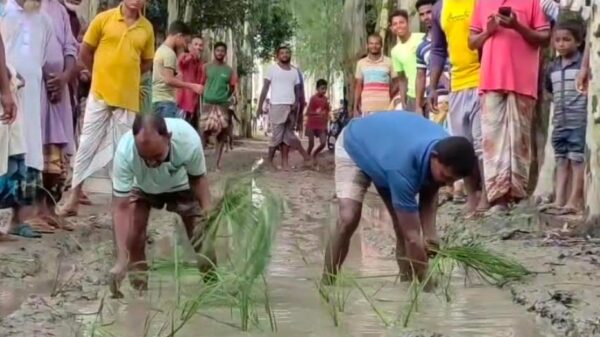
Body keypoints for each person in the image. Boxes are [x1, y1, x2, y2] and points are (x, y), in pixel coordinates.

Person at [322, 111, 476, 284]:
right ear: (434, 158)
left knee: (403, 229)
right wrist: (428, 284)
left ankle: (406, 285)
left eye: (453, 181)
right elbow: (412, 236)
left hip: (385, 154)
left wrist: (430, 235)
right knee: (349, 218)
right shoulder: (403, 169)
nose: (448, 185)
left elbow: (430, 189)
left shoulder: (446, 148)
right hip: (354, 145)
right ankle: (327, 284)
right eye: (446, 178)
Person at [59, 0, 155, 217]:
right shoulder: (104, 19)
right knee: (86, 145)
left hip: (128, 98)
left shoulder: (147, 28)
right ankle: (74, 198)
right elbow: (85, 51)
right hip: (100, 93)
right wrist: (97, 74)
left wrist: (128, 76)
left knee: (123, 151)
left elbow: (147, 62)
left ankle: (120, 202)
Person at [107, 115, 212, 297]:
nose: (152, 163)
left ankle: (213, 287)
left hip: (181, 184)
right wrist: (121, 260)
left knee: (200, 236)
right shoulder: (125, 152)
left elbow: (199, 180)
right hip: (142, 186)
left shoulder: (188, 139)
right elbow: (121, 207)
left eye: (157, 156)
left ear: (169, 138)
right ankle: (140, 295)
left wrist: (208, 213)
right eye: (144, 157)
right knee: (134, 236)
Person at [469, 0, 550, 213]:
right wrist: (488, 31)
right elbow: (472, 42)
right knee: (492, 140)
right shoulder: (481, 2)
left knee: (520, 139)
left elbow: (544, 37)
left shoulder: (533, 1)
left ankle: (519, 194)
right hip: (490, 79)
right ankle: (497, 198)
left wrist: (517, 26)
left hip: (522, 79)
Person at [430, 0, 485, 215]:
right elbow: (437, 49)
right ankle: (472, 195)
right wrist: (433, 86)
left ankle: (487, 197)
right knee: (465, 146)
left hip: (483, 79)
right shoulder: (440, 8)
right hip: (457, 83)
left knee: (482, 143)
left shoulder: (479, 2)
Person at [0, 0, 49, 236]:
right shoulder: (4, 10)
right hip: (7, 93)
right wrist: (6, 88)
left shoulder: (43, 18)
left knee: (24, 155)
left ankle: (18, 220)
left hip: (29, 98)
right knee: (4, 155)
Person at [540, 22, 587, 215]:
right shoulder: (553, 67)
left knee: (576, 159)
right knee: (561, 159)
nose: (561, 44)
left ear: (579, 41)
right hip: (559, 121)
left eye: (567, 40)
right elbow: (548, 91)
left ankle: (574, 200)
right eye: (557, 40)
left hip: (578, 120)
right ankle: (559, 200)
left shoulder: (583, 65)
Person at [39, 0, 78, 229]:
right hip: (36, 89)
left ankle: (50, 209)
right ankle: (34, 212)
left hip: (59, 91)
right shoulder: (22, 5)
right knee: (35, 151)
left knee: (55, 154)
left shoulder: (60, 10)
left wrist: (64, 78)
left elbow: (70, 49)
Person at [256, 46, 310, 170]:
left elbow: (298, 89)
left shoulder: (294, 71)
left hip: (291, 106)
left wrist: (297, 102)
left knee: (287, 137)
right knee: (277, 135)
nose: (285, 55)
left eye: (287, 53)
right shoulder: (272, 69)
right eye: (282, 53)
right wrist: (260, 106)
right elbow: (265, 88)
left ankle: (285, 163)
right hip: (276, 105)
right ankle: (269, 161)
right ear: (277, 55)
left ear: (290, 55)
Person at [199, 41, 238, 170]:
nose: (220, 53)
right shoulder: (206, 67)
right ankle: (200, 164)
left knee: (222, 134)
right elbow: (200, 84)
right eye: (218, 50)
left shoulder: (229, 70)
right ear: (214, 52)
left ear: (225, 53)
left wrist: (226, 97)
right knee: (203, 133)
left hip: (222, 105)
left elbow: (232, 87)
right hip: (207, 103)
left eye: (222, 51)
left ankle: (216, 164)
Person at [152, 20, 202, 119]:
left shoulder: (161, 50)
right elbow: (168, 80)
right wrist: (192, 86)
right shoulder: (169, 54)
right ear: (179, 35)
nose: (185, 45)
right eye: (185, 41)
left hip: (157, 100)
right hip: (165, 102)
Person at [415, 0, 450, 117]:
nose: (426, 17)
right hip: (436, 99)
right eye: (422, 14)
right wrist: (418, 106)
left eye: (429, 12)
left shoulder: (451, 37)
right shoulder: (421, 47)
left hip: (459, 92)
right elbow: (420, 77)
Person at [390, 9, 425, 111]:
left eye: (401, 22)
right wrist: (403, 100)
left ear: (408, 23)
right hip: (412, 96)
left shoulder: (422, 38)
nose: (398, 26)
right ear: (392, 28)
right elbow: (402, 79)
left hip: (428, 93)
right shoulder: (395, 51)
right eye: (395, 24)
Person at [354, 34, 396, 117]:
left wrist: (391, 98)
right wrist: (355, 107)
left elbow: (396, 83)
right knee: (368, 130)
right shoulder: (361, 63)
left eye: (377, 43)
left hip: (385, 108)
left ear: (381, 45)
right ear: (367, 45)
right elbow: (358, 86)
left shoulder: (389, 62)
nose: (374, 46)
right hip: (366, 107)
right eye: (371, 43)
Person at [177, 35, 205, 127]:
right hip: (182, 103)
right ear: (189, 47)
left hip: (194, 104)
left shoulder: (201, 64)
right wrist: (192, 55)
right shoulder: (184, 56)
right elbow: (181, 63)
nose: (198, 47)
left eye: (200, 45)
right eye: (195, 44)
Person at [305, 79, 330, 160]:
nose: (324, 91)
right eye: (322, 88)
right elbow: (307, 112)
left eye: (325, 88)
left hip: (321, 125)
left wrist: (326, 123)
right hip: (311, 124)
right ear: (317, 89)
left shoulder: (325, 99)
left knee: (323, 143)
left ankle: (315, 154)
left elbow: (326, 111)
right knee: (311, 144)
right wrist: (316, 113)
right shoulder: (313, 98)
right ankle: (306, 157)